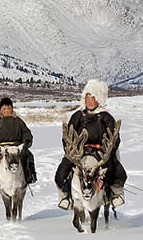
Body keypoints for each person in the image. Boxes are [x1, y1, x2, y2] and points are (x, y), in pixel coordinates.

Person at [54, 79, 127, 210]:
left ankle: (115, 195)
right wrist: (70, 149)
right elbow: (67, 136)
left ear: (98, 99)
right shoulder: (77, 116)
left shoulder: (106, 117)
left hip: (100, 153)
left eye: (93, 98)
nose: (89, 101)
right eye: (87, 97)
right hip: (79, 154)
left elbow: (115, 137)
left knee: (118, 171)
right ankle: (65, 196)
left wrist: (109, 150)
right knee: (61, 172)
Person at [0, 97, 36, 194]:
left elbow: (26, 132)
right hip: (1, 149)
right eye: (4, 109)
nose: (6, 111)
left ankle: (29, 177)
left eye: (9, 108)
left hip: (16, 148)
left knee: (28, 157)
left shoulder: (18, 121)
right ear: (0, 110)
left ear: (12, 109)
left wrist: (27, 141)